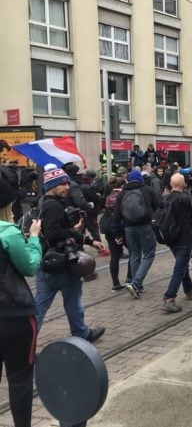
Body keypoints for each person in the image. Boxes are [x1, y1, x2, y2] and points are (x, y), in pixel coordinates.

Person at [34, 165, 106, 342]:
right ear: (52, 185)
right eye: (62, 184)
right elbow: (54, 233)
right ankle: (81, 333)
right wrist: (74, 232)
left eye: (67, 183)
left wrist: (89, 241)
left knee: (39, 306)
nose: (67, 187)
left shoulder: (44, 202)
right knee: (73, 302)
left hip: (46, 262)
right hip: (62, 262)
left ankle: (25, 343)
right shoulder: (54, 206)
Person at [0, 178, 42, 427]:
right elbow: (29, 265)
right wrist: (34, 239)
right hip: (14, 315)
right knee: (20, 379)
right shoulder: (8, 232)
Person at [112, 170, 159, 298]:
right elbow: (158, 206)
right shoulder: (147, 190)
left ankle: (138, 285)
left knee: (134, 255)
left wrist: (117, 233)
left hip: (129, 228)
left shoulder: (122, 193)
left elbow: (116, 215)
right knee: (149, 254)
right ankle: (136, 283)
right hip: (145, 226)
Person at [160, 174, 192, 313]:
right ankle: (169, 297)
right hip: (184, 238)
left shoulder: (165, 198)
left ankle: (189, 288)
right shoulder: (185, 199)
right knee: (179, 268)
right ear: (183, 185)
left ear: (171, 185)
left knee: (182, 264)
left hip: (171, 238)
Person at [102, 177, 130, 291]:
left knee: (114, 256)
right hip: (123, 228)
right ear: (123, 186)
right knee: (134, 252)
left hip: (110, 229)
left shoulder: (108, 196)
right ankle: (130, 279)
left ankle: (116, 283)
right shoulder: (124, 196)